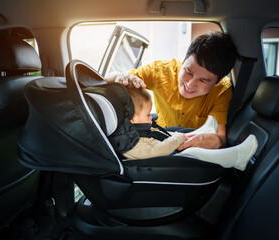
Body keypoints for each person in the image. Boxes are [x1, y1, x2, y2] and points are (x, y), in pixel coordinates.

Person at [106, 31, 238, 150]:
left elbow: (221, 137)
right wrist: (118, 76)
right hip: (159, 139)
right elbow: (110, 79)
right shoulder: (160, 71)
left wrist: (217, 142)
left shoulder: (223, 90)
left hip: (193, 150)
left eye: (203, 80)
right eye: (188, 71)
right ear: (184, 60)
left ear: (218, 81)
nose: (190, 84)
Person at [123, 85, 258, 171]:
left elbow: (157, 136)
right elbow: (156, 151)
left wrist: (177, 136)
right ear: (131, 119)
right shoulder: (131, 144)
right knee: (195, 153)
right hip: (163, 163)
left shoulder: (135, 131)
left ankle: (205, 131)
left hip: (167, 153)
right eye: (147, 114)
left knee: (175, 134)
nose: (151, 117)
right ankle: (238, 157)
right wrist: (177, 138)